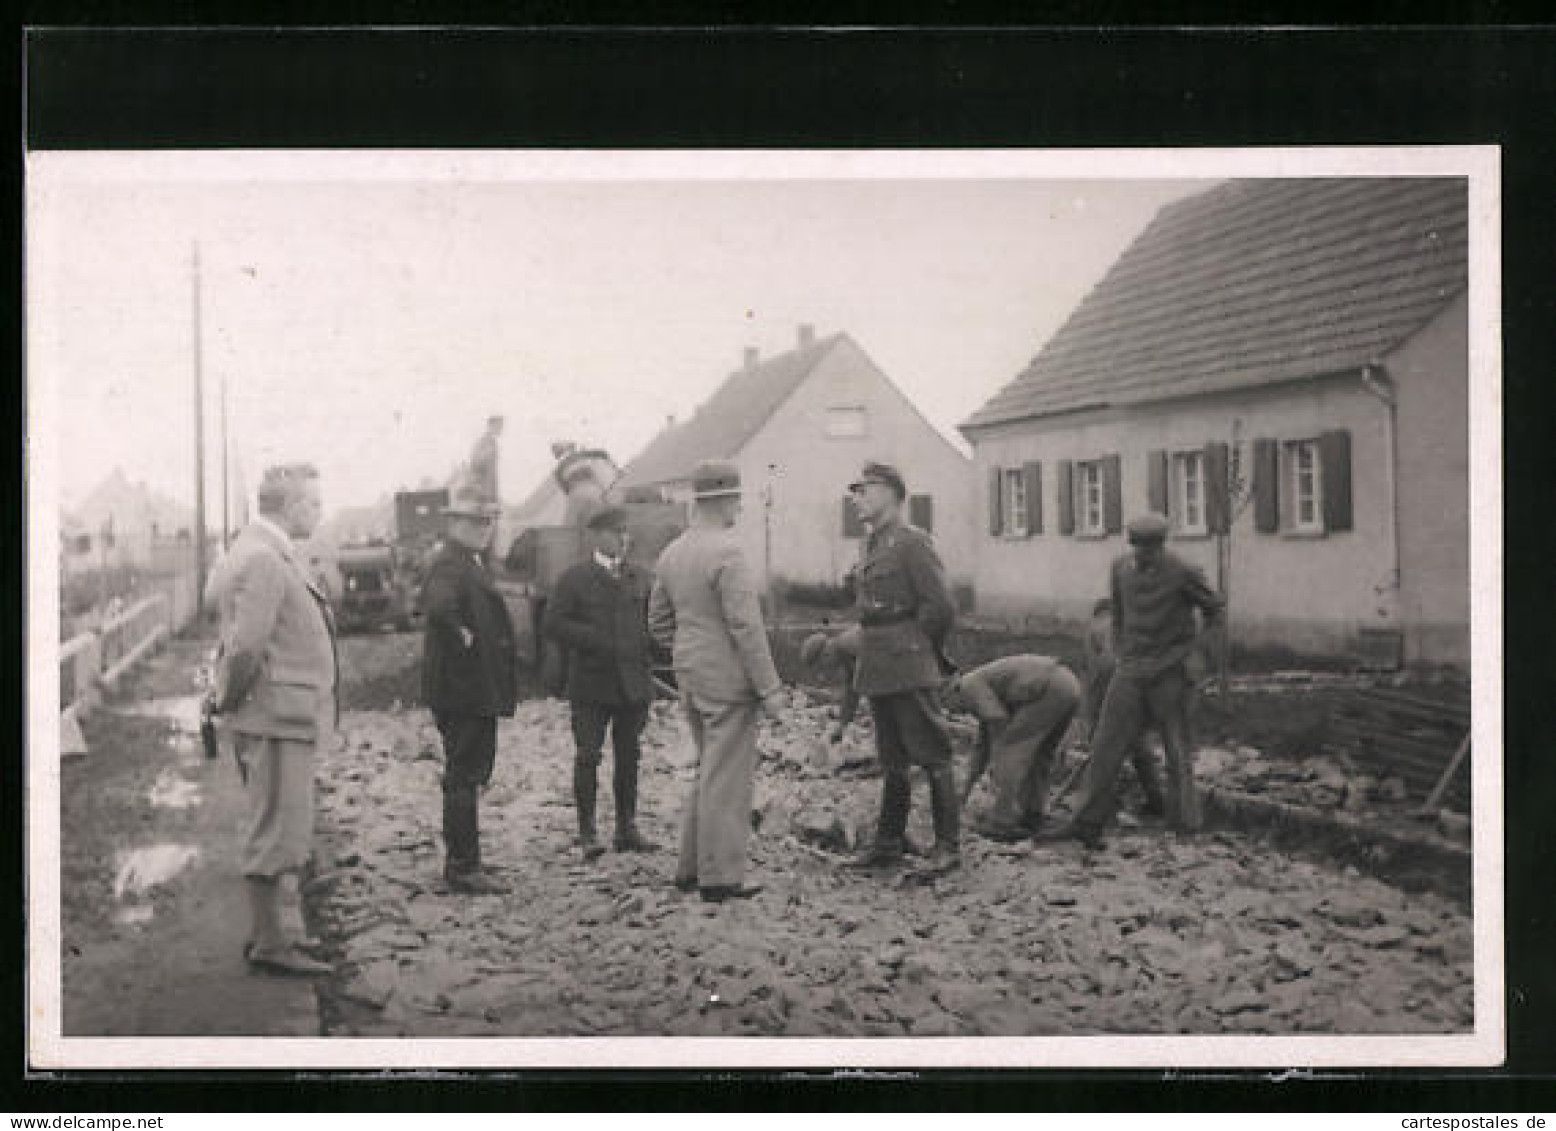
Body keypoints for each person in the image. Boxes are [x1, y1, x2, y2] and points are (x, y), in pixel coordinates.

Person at [204, 462, 337, 976]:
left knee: (283, 821)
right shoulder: (264, 556)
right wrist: (231, 701)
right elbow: (245, 647)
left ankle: (276, 933)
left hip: (282, 713)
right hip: (274, 714)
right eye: (314, 504)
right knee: (273, 823)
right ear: (291, 506)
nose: (319, 513)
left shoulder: (262, 549)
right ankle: (268, 941)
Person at [1039, 514, 1223, 849]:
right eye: (1137, 548)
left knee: (1176, 746)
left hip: (1170, 670)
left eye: (1148, 549)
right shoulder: (1120, 568)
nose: (1141, 556)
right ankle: (1086, 823)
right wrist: (1120, 649)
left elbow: (1214, 610)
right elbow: (1119, 614)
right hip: (1131, 670)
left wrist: (1194, 653)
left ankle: (1186, 824)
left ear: (1161, 545)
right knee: (1105, 744)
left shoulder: (1183, 571)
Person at [649, 460, 785, 903]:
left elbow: (658, 623)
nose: (739, 509)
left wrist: (690, 651)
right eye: (736, 500)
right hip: (727, 681)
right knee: (727, 776)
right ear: (723, 500)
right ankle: (721, 877)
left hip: (689, 675)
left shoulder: (672, 552)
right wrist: (770, 689)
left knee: (708, 768)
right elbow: (747, 628)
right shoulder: (727, 553)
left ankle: (690, 867)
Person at [844, 461, 961, 877]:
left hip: (907, 659)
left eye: (865, 489)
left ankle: (948, 845)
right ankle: (889, 841)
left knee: (933, 752)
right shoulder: (872, 544)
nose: (857, 497)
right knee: (892, 757)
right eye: (855, 491)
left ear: (891, 492)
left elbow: (941, 606)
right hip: (877, 660)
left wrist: (916, 645)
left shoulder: (913, 542)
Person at [420, 488, 519, 894]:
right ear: (455, 524)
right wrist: (465, 638)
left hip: (471, 688)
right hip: (463, 690)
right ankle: (462, 866)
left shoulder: (467, 561)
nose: (484, 528)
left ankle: (467, 858)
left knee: (470, 772)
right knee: (463, 774)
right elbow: (440, 607)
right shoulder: (450, 563)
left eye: (488, 521)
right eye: (476, 522)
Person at [545, 503, 657, 861]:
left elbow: (653, 625)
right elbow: (554, 624)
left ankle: (627, 828)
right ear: (597, 536)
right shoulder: (574, 579)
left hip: (632, 685)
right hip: (591, 686)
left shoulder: (640, 578)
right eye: (615, 533)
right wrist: (593, 638)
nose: (623, 539)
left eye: (626, 533)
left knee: (629, 757)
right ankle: (588, 832)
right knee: (588, 757)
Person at [943, 655, 1081, 841]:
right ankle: (1033, 814)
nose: (952, 713)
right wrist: (966, 789)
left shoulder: (969, 686)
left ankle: (1001, 821)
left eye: (946, 705)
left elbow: (998, 724)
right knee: (1041, 755)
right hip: (1068, 685)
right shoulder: (982, 688)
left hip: (1048, 687)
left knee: (1010, 750)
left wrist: (997, 767)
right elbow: (981, 747)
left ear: (953, 691)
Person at [1080, 597, 1166, 818]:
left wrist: (1100, 698)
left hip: (1108, 695)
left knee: (1103, 749)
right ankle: (1157, 801)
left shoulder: (1096, 627)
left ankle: (1105, 804)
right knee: (1138, 747)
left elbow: (1105, 665)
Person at [799, 626, 863, 745]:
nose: (824, 673)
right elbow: (852, 690)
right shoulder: (844, 653)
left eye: (821, 667)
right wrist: (843, 724)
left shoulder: (850, 645)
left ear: (825, 654)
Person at [466, 414, 504, 505]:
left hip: (489, 491)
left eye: (501, 427)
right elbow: (474, 463)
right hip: (482, 491)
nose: (501, 429)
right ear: (491, 426)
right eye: (499, 426)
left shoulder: (492, 443)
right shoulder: (483, 442)